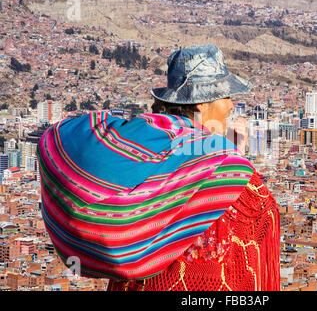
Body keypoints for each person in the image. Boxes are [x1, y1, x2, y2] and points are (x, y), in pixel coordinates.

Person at [37, 44, 280, 291]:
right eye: (226, 96)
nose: (230, 106)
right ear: (201, 103)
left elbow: (59, 137)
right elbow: (258, 217)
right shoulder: (219, 159)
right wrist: (232, 157)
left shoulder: (144, 141)